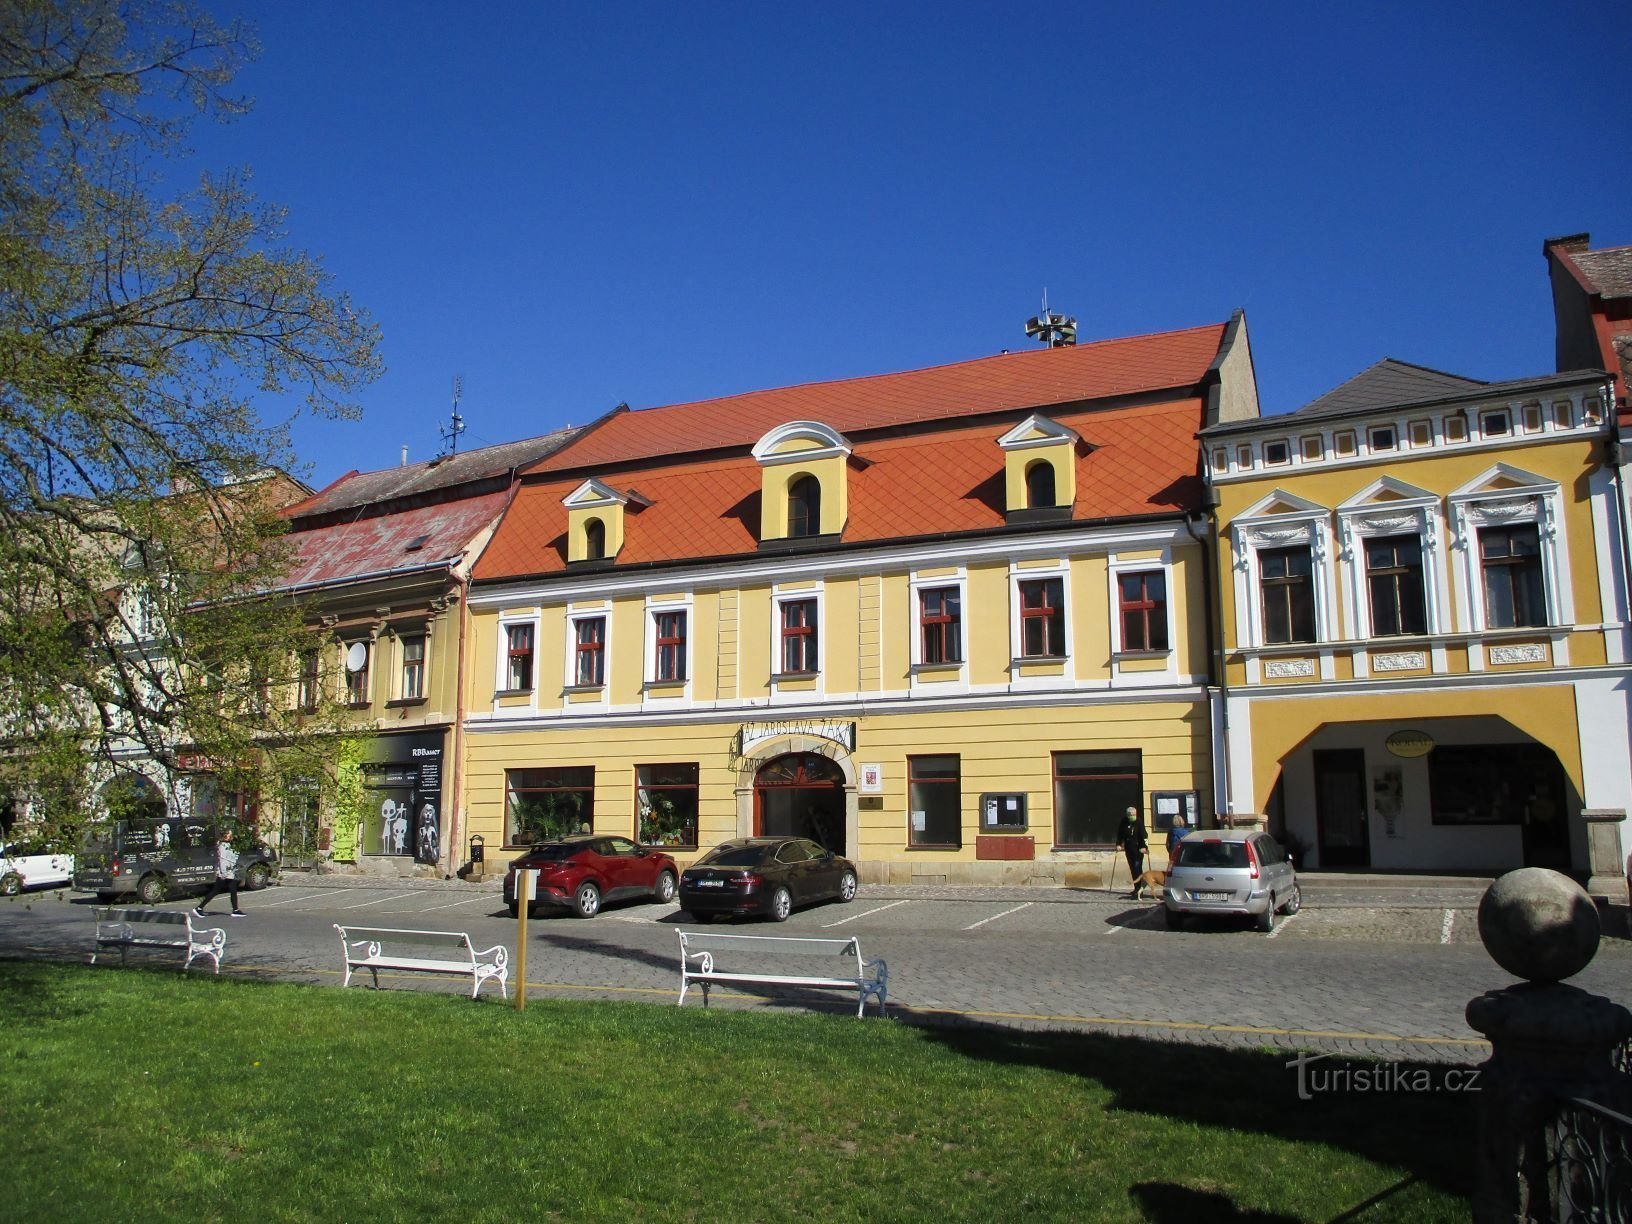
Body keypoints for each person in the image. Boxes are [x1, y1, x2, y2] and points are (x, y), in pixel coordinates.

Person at [193, 828, 245, 917]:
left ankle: (235, 910)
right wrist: (224, 873)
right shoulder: (223, 845)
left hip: (229, 872)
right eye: (229, 834)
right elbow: (223, 860)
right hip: (224, 873)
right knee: (215, 891)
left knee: (233, 890)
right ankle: (199, 908)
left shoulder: (229, 845)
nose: (230, 836)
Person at [1115, 806, 1148, 882]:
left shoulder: (1139, 822)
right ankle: (1136, 887)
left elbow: (1144, 835)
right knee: (1132, 869)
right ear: (1127, 815)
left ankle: (1140, 889)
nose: (1133, 816)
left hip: (1138, 849)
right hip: (1129, 848)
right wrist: (1118, 844)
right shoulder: (1124, 822)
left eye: (1134, 814)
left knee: (1137, 868)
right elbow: (1120, 834)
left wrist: (1144, 847)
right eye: (1131, 815)